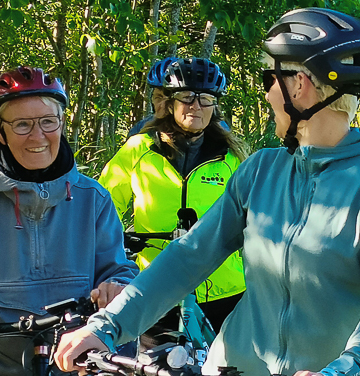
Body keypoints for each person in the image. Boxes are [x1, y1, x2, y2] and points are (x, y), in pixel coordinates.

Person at [55, 7, 360, 376]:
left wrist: (349, 368)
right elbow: (189, 256)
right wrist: (106, 326)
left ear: (299, 84)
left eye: (270, 79)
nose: (267, 95)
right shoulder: (261, 170)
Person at [0, 66, 139, 376]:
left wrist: (115, 286)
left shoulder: (93, 198)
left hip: (75, 364)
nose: (38, 136)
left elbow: (117, 270)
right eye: (22, 124)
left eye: (48, 121)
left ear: (62, 122)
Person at [100, 57, 250, 333]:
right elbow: (102, 208)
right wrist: (114, 248)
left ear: (215, 106)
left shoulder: (231, 158)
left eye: (206, 99)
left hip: (224, 289)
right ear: (169, 103)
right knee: (155, 356)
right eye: (186, 97)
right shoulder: (139, 149)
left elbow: (254, 217)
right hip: (156, 283)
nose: (196, 106)